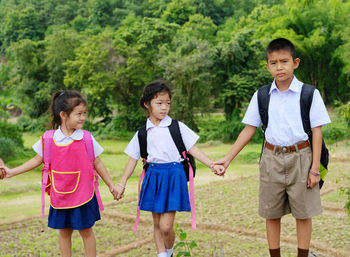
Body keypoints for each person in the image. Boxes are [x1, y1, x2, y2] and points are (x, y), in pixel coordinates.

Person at [214, 38, 331, 257]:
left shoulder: (309, 94)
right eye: (274, 62)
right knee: (271, 213)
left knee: (304, 214)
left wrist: (315, 169)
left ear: (295, 63)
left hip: (302, 157)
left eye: (284, 61)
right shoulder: (261, 95)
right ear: (267, 66)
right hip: (271, 157)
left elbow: (317, 132)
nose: (279, 67)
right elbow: (249, 129)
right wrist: (227, 159)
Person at [0, 90, 119, 257]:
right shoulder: (48, 139)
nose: (83, 117)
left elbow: (97, 162)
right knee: (64, 232)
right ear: (63, 114)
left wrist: (112, 185)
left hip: (83, 193)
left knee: (86, 231)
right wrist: (12, 172)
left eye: (84, 113)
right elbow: (36, 160)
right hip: (61, 193)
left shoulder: (86, 138)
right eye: (78, 113)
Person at [115, 80, 225, 257]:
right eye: (159, 103)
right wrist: (121, 183)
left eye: (167, 103)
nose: (164, 108)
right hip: (153, 176)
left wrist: (212, 164)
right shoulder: (142, 132)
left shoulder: (177, 127)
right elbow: (132, 160)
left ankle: (169, 252)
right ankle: (162, 255)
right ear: (147, 104)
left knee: (166, 227)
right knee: (157, 223)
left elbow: (193, 149)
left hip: (174, 175)